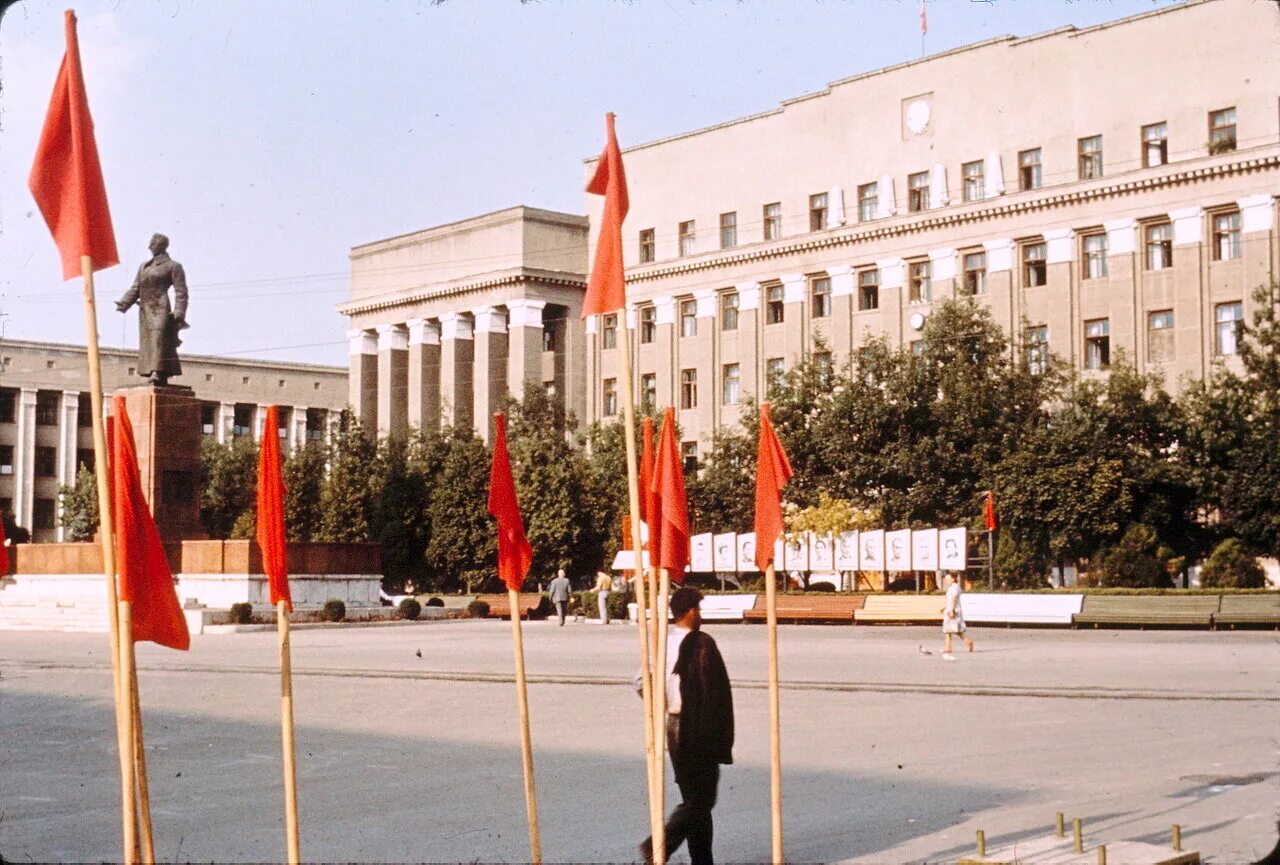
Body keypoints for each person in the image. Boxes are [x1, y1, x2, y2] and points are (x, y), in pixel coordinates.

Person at [640, 586, 734, 865]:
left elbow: (640, 681)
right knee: (701, 800)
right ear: (689, 612)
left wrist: (664, 702)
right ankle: (659, 844)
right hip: (696, 729)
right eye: (699, 609)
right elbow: (714, 691)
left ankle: (702, 861)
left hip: (674, 724)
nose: (701, 615)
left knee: (697, 800)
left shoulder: (663, 645)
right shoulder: (699, 643)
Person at [115, 233, 189, 386]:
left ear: (161, 246)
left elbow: (181, 292)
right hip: (145, 310)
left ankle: (157, 371)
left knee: (158, 339)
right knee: (148, 342)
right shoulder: (144, 266)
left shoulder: (173, 266)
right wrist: (124, 303)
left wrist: (179, 312)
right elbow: (136, 288)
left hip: (161, 308)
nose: (149, 246)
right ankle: (152, 371)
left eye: (152, 244)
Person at [941, 573, 975, 660]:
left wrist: (951, 609)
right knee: (950, 630)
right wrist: (945, 608)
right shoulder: (953, 587)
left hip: (953, 611)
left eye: (948, 579)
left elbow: (953, 599)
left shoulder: (954, 588)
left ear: (953, 579)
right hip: (950, 609)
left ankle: (964, 641)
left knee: (950, 630)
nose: (947, 581)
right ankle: (949, 646)